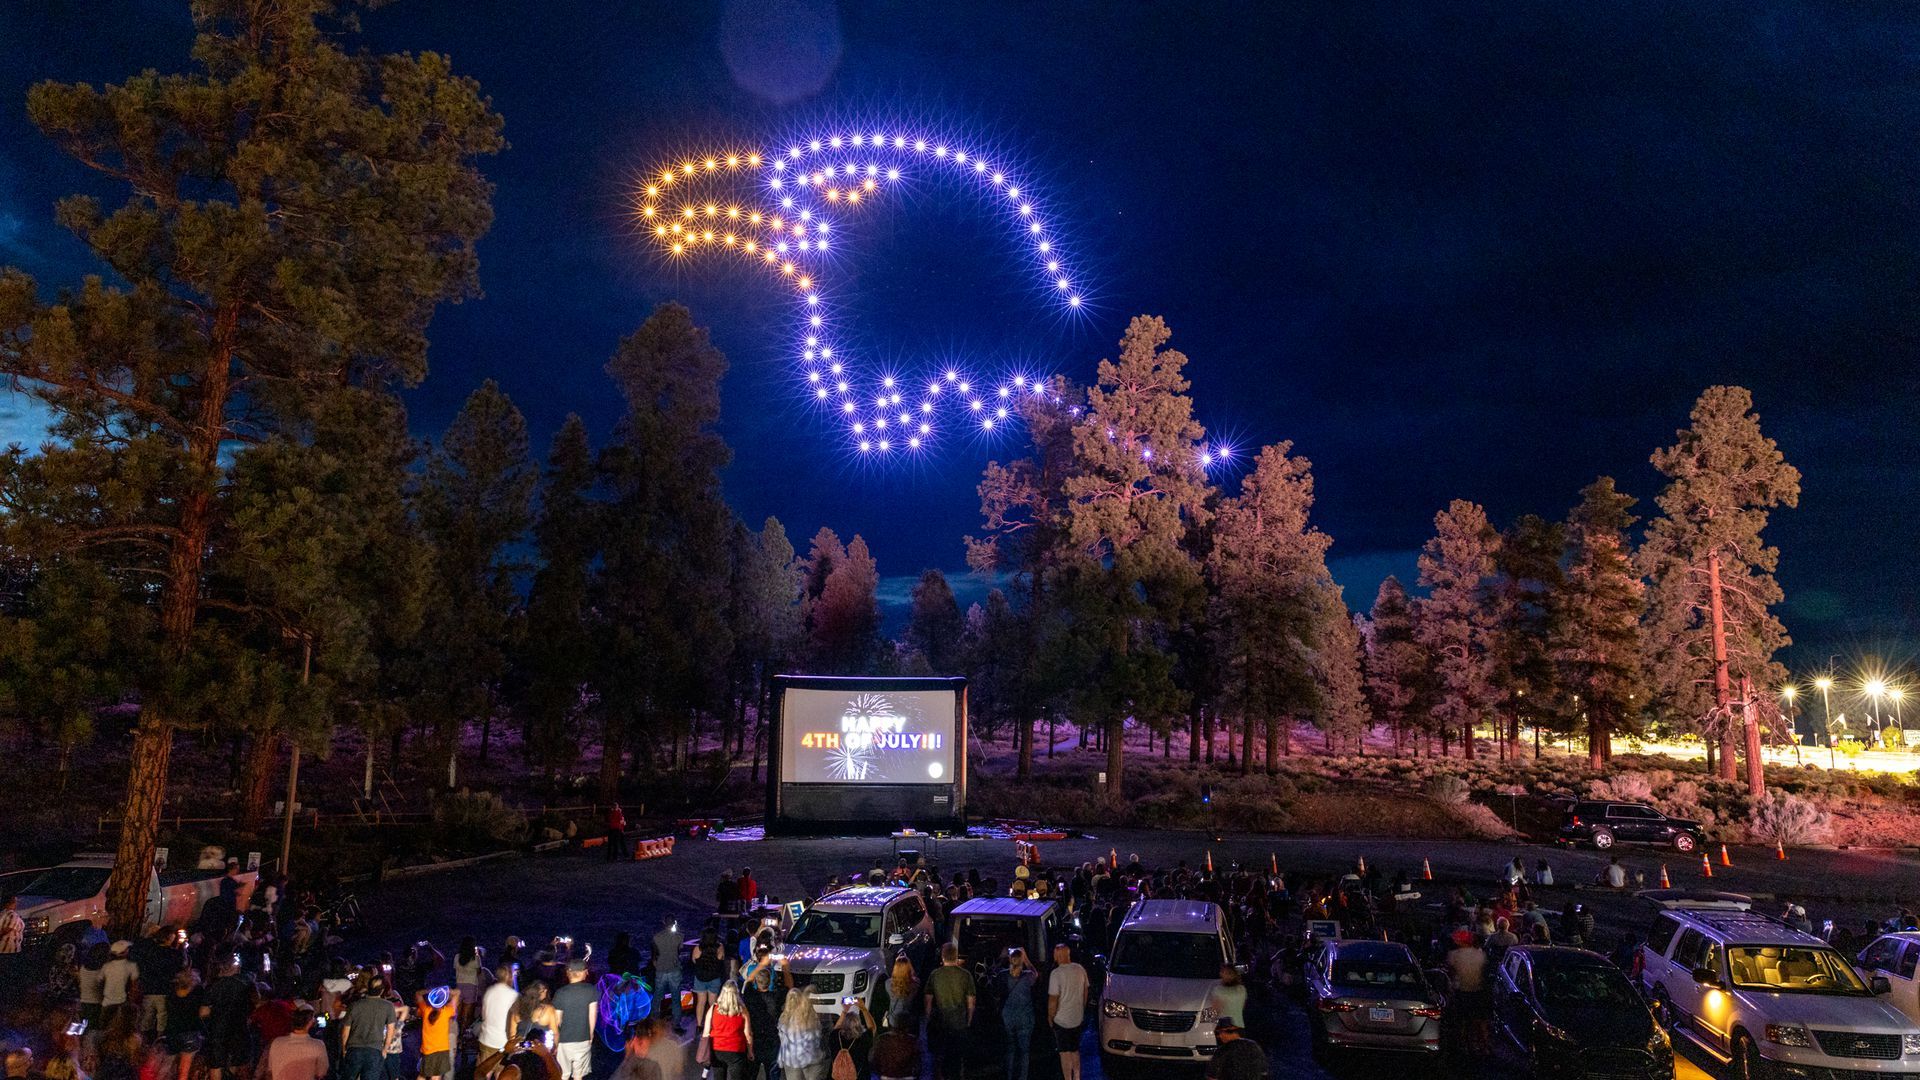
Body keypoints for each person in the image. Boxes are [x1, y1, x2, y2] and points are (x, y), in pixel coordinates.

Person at [925, 944, 976, 1080]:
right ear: (956, 956)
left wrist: (928, 1018)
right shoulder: (966, 975)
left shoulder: (935, 975)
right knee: (957, 1058)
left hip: (940, 1023)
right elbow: (971, 1003)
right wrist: (969, 1021)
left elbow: (928, 1000)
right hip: (959, 1023)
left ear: (943, 957)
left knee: (939, 1059)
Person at [204, 955, 258, 1080]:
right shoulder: (246, 984)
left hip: (218, 1030)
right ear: (237, 968)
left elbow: (204, 1011)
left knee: (216, 1064)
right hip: (239, 1029)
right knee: (236, 1062)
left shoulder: (214, 985)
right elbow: (256, 1002)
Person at [339, 974, 397, 1080]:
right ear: (382, 990)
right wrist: (385, 1050)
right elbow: (390, 1031)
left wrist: (344, 1049)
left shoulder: (355, 1005)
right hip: (374, 1050)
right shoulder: (388, 1006)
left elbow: (345, 1031)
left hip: (354, 1049)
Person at [1046, 943, 1088, 1080]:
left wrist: (1050, 1017)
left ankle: (1068, 1078)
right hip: (1077, 1018)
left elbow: (1053, 1000)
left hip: (1062, 1020)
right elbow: (1085, 992)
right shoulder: (1080, 969)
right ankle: (1077, 1076)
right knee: (1075, 1050)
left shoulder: (1056, 974)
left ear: (1057, 955)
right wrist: (1081, 1008)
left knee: (1064, 1053)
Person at [551, 960, 598, 1080]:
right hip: (583, 1038)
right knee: (578, 1075)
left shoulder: (560, 992)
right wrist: (591, 1034)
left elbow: (557, 1019)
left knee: (563, 1074)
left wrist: (556, 1040)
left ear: (568, 973)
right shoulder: (591, 990)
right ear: (583, 973)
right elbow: (592, 1014)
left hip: (564, 1040)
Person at [1446, 932, 1490, 1056]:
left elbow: (1451, 973)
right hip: (1477, 991)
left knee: (1462, 1020)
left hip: (1461, 991)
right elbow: (1485, 973)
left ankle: (1463, 1045)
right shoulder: (1480, 955)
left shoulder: (1454, 955)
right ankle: (1482, 1046)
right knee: (1478, 1019)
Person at [999, 948, 1039, 1080]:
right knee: (1024, 1051)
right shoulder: (1028, 976)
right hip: (1025, 1018)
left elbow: (994, 976)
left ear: (1010, 959)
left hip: (1008, 1017)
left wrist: (1002, 958)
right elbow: (1035, 973)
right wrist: (1026, 958)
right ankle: (1023, 1077)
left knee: (1010, 1049)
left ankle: (1009, 1076)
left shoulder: (1003, 975)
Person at [776, 983, 830, 1080]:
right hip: (813, 1058)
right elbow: (826, 1032)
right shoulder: (818, 1016)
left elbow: (782, 1038)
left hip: (792, 1059)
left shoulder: (786, 1017)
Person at [164, 968, 211, 1080]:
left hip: (172, 1032)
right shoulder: (197, 993)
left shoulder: (171, 994)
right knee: (184, 1070)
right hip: (190, 1033)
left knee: (167, 1068)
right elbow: (204, 1012)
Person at [702, 983, 752, 1080]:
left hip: (717, 1050)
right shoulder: (742, 1010)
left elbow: (706, 1032)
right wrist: (750, 1051)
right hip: (736, 1051)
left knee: (719, 1077)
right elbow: (748, 1034)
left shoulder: (713, 1009)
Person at [266, 1006, 330, 1080]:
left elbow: (270, 1069)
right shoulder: (318, 1045)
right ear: (310, 1023)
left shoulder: (276, 1042)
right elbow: (322, 1072)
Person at [478, 963, 518, 1064]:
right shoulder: (513, 995)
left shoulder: (489, 991)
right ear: (509, 977)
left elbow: (484, 1015)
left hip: (486, 1038)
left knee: (485, 1069)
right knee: (500, 1070)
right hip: (502, 1042)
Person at [415, 987, 458, 1080]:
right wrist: (446, 990)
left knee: (423, 1074)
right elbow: (457, 993)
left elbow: (418, 993)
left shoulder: (425, 1010)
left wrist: (430, 990)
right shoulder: (447, 1011)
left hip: (427, 1050)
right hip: (441, 1050)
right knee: (436, 1077)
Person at [689, 928, 727, 1032]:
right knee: (713, 1003)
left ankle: (699, 1025)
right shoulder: (720, 947)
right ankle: (714, 1024)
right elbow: (721, 959)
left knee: (701, 1002)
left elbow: (694, 961)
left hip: (700, 978)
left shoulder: (698, 948)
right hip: (714, 978)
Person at [651, 918, 683, 1033]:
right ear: (674, 923)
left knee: (657, 996)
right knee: (676, 998)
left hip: (661, 969)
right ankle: (676, 1024)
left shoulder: (656, 937)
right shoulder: (679, 936)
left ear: (664, 923)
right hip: (674, 969)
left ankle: (654, 1021)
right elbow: (678, 951)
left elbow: (654, 953)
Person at [102, 940, 139, 1029]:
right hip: (121, 1002)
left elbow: (100, 982)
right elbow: (134, 985)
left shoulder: (106, 966)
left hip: (106, 1002)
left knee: (105, 1026)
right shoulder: (131, 966)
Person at [453, 939, 485, 1029]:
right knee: (467, 1016)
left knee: (457, 1014)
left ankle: (455, 1032)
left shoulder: (457, 957)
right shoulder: (476, 958)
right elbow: (479, 972)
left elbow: (455, 969)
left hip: (459, 986)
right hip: (471, 986)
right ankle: (463, 1033)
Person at [1206, 963, 1246, 1029]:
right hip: (1239, 1025)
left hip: (1224, 1029)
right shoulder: (1242, 989)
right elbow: (1242, 1007)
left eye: (1223, 972)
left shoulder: (1218, 991)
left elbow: (1215, 1010)